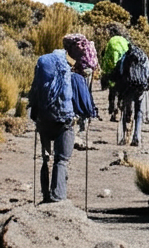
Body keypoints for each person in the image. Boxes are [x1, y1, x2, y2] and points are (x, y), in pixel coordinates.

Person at [29, 49, 98, 203]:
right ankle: (58, 196)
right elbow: (85, 106)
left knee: (45, 159)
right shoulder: (74, 79)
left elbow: (33, 97)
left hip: (43, 121)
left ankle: (45, 195)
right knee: (61, 160)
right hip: (64, 123)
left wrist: (36, 117)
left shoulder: (43, 76)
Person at [114, 42, 149, 146]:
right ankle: (137, 136)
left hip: (128, 86)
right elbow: (148, 71)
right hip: (140, 87)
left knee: (126, 110)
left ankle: (123, 137)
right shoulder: (143, 57)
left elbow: (121, 71)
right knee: (139, 111)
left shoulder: (126, 56)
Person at [100, 32, 130, 123]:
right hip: (121, 72)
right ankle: (120, 110)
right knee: (121, 92)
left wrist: (105, 71)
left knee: (112, 92)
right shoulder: (124, 43)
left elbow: (104, 56)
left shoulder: (110, 43)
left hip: (111, 71)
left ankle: (113, 110)